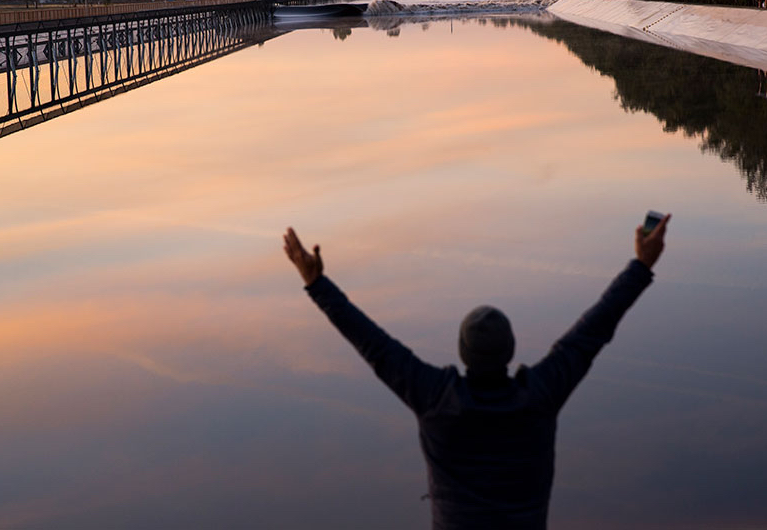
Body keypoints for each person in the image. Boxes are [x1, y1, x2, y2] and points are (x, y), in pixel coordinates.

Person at [282, 214, 671, 530]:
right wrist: (640, 265)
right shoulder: (541, 395)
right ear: (511, 350)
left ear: (462, 352)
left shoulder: (435, 398)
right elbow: (594, 329)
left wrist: (316, 283)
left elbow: (373, 345)